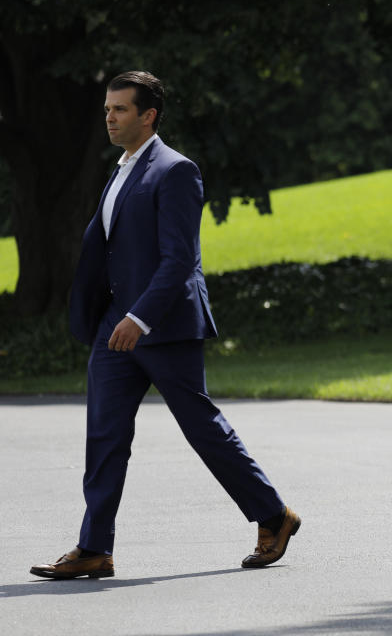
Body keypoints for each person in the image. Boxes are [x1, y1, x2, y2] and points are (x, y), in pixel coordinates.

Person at [30, 71, 299, 579]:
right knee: (104, 435)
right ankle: (94, 547)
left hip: (163, 325)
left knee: (202, 429)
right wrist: (113, 314)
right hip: (116, 326)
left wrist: (140, 317)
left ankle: (273, 515)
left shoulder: (175, 170)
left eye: (120, 110)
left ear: (148, 115)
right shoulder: (120, 169)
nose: (109, 117)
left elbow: (179, 260)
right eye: (107, 109)